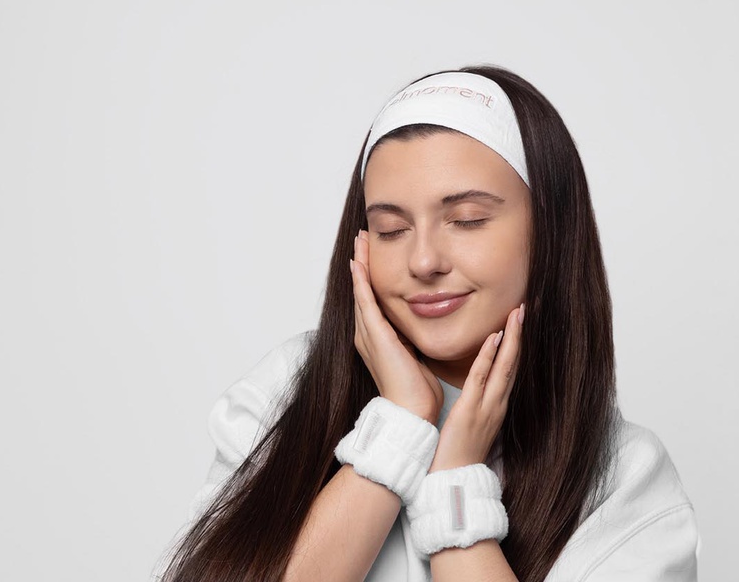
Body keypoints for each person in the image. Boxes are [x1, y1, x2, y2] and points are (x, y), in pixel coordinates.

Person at [155, 66, 700, 582]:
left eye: (466, 220)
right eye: (391, 230)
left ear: (552, 235)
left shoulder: (625, 477)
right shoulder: (288, 392)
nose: (423, 261)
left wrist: (456, 489)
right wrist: (399, 426)